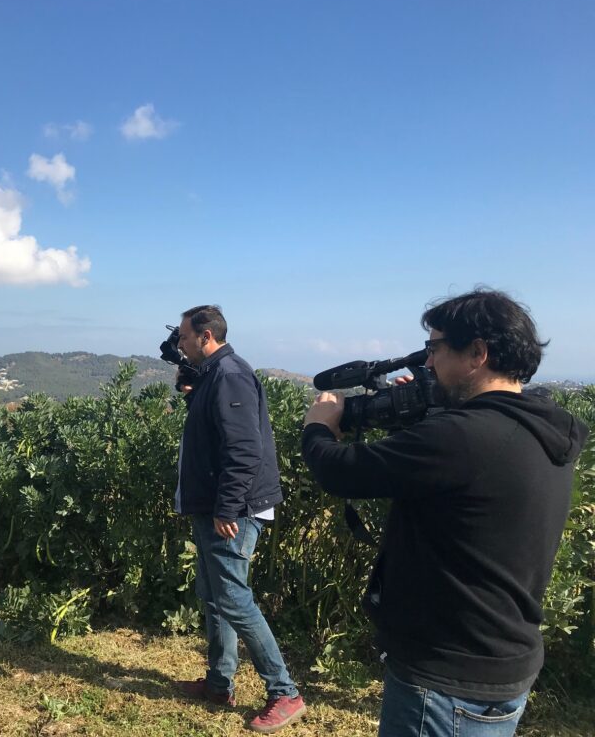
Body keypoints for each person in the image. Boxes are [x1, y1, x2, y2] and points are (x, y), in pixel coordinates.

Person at [302, 289, 589, 737]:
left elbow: (340, 471)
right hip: (499, 658)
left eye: (434, 348)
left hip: (445, 675)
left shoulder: (464, 437)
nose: (429, 362)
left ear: (477, 353)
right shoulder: (540, 426)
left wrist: (318, 426)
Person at [172, 305, 306, 733]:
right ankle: (219, 684)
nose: (179, 344)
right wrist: (192, 392)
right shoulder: (214, 374)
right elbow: (215, 430)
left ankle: (284, 692)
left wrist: (228, 506)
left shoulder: (230, 374)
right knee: (215, 596)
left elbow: (245, 448)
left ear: (206, 335)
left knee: (233, 598)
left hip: (234, 510)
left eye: (184, 337)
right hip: (215, 505)